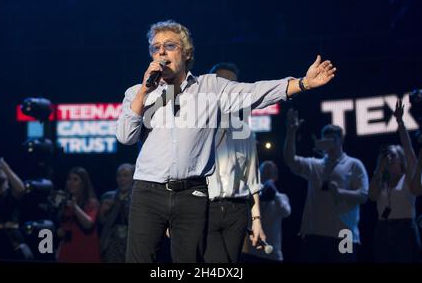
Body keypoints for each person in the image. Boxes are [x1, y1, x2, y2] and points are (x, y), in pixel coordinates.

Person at [116, 19, 336, 263]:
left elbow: (255, 92)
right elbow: (125, 136)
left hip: (192, 193)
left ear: (186, 52)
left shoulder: (210, 87)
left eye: (169, 45)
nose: (161, 52)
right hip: (148, 190)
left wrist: (303, 83)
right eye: (156, 47)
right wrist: (145, 92)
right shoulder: (137, 93)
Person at [283, 109, 368, 263]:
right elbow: (290, 160)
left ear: (341, 140)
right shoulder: (314, 165)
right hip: (314, 233)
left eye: (333, 139)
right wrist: (291, 131)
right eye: (326, 138)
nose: (329, 142)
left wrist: (340, 192)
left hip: (345, 234)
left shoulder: (354, 164)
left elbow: (363, 195)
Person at [204, 62, 266, 263]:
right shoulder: (196, 125)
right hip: (204, 209)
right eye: (222, 83)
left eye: (232, 84)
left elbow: (252, 180)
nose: (227, 89)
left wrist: (257, 220)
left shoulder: (245, 131)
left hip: (237, 212)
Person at [369, 100, 421, 263]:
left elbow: (408, 149)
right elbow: (372, 196)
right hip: (383, 230)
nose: (389, 158)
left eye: (393, 155)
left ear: (401, 160)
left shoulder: (408, 177)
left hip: (405, 229)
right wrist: (378, 168)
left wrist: (400, 122)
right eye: (386, 155)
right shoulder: (381, 180)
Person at [248, 161, 291, 262]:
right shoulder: (251, 196)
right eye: (264, 173)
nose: (267, 176)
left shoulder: (281, 197)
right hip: (253, 252)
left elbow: (286, 212)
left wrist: (274, 193)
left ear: (275, 177)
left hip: (273, 252)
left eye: (269, 173)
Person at [56, 167, 101, 263]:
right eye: (69, 179)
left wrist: (75, 207)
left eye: (75, 179)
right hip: (67, 251)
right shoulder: (65, 203)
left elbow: (88, 224)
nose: (71, 182)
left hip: (85, 252)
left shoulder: (91, 203)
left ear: (83, 184)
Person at [99, 163, 134, 263]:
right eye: (119, 175)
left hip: (130, 244)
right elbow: (102, 222)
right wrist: (103, 211)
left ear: (133, 178)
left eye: (125, 175)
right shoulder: (108, 197)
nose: (121, 179)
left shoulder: (137, 199)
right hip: (111, 245)